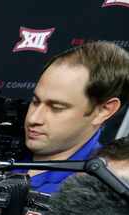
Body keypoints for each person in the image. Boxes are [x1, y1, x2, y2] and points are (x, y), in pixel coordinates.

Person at [23, 40, 129, 194]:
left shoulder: (98, 192)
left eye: (56, 108)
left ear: (104, 111)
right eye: (35, 101)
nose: (34, 119)